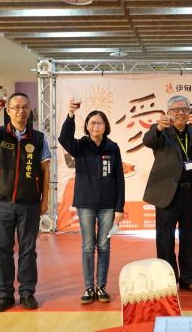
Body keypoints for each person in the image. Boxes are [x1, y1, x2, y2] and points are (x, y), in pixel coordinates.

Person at [0, 92, 50, 312]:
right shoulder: (1, 134)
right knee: (2, 250)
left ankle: (27, 292)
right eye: (16, 107)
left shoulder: (38, 138)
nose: (21, 111)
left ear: (30, 110)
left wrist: (45, 200)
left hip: (29, 203)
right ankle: (5, 294)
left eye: (25, 107)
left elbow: (45, 171)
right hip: (1, 202)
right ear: (9, 111)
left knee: (28, 250)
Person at [142, 95, 192, 294]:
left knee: (189, 238)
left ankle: (189, 278)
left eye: (185, 109)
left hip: (191, 194)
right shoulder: (161, 132)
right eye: (176, 110)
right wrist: (158, 128)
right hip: (167, 194)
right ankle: (167, 279)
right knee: (165, 239)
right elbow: (148, 140)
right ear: (168, 113)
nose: (181, 113)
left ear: (190, 113)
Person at [58, 104, 124, 304]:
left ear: (106, 126)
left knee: (104, 245)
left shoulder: (113, 147)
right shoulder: (80, 146)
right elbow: (64, 138)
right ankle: (88, 287)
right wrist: (71, 115)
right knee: (88, 246)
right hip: (85, 204)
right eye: (92, 123)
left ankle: (101, 287)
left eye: (100, 123)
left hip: (108, 206)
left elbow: (119, 179)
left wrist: (119, 207)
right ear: (86, 126)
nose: (96, 126)